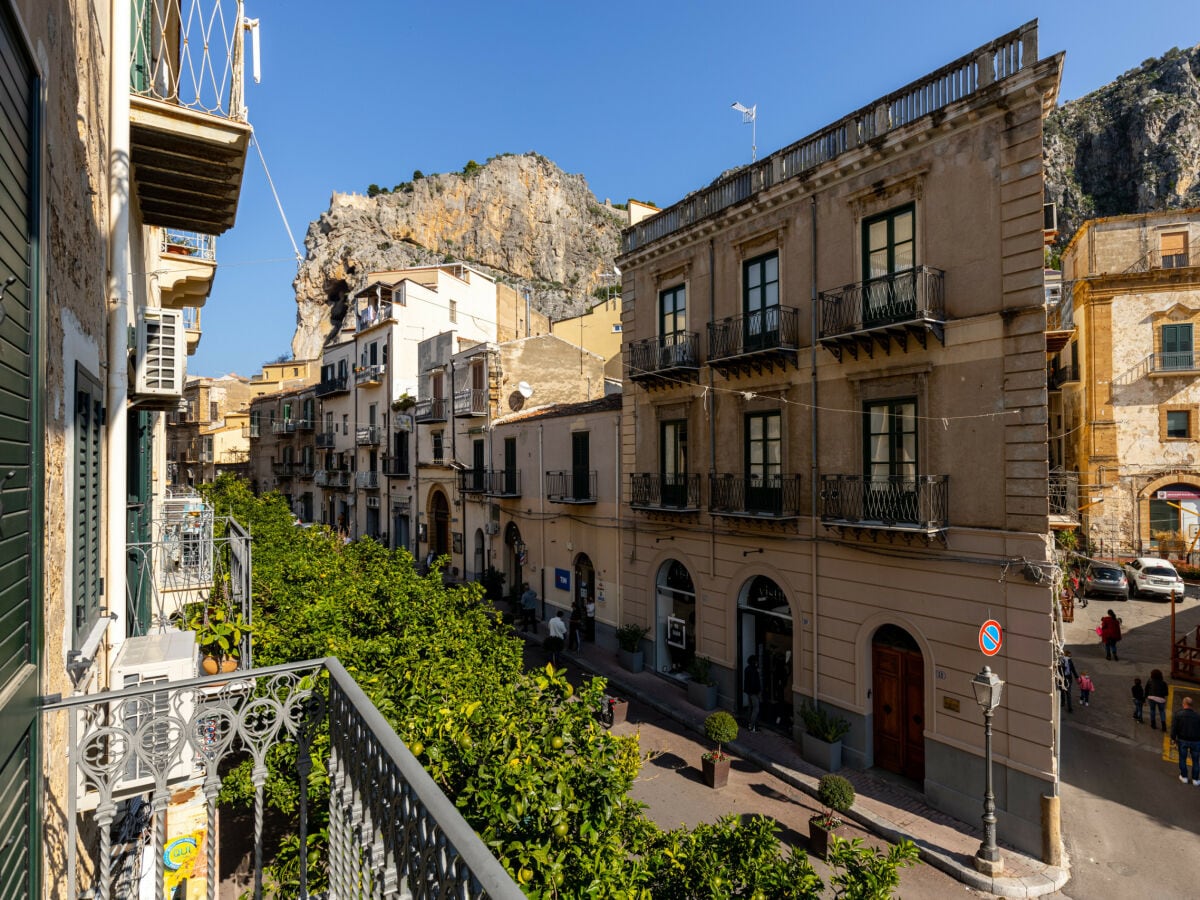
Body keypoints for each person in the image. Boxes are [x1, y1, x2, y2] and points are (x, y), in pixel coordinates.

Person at [1169, 696, 1200, 785]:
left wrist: (1173, 738)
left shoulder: (1178, 714)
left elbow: (1174, 728)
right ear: (1192, 705)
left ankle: (1184, 777)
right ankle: (1195, 780)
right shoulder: (1197, 716)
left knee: (1182, 759)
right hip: (1196, 741)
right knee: (1196, 760)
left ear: (1184, 704)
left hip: (1182, 740)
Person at [743, 655, 762, 732]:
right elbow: (755, 683)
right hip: (754, 693)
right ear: (754, 662)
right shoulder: (754, 670)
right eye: (756, 661)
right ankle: (752, 726)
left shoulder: (747, 669)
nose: (757, 663)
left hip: (749, 692)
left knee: (750, 708)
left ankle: (749, 723)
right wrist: (758, 692)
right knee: (756, 709)